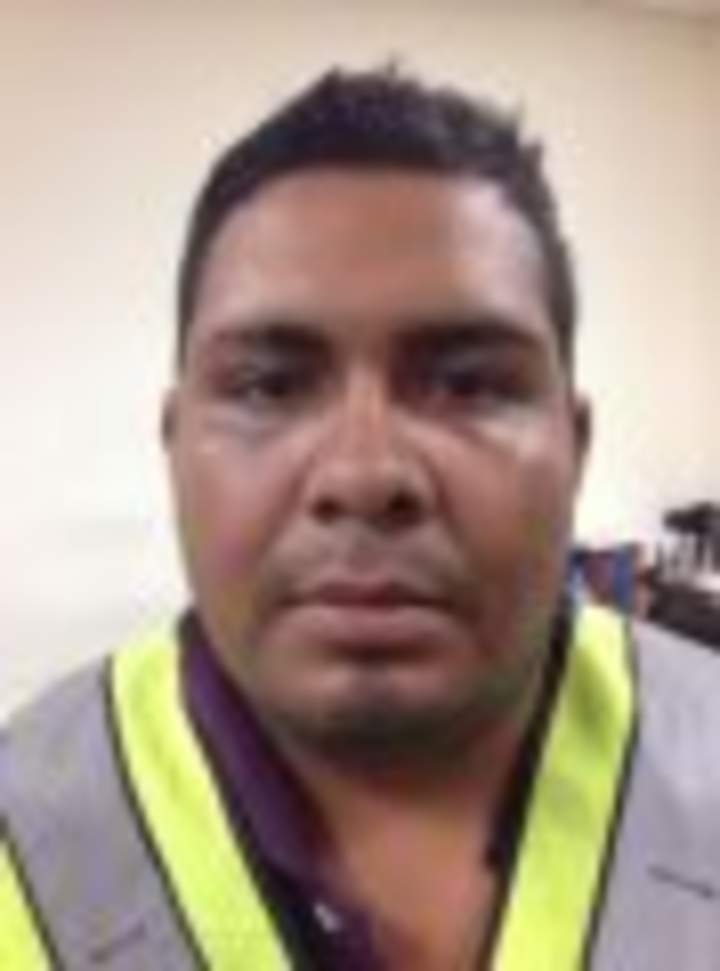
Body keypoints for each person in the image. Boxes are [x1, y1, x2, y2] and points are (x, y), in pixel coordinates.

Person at [1, 67, 717, 971]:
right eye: (269, 386)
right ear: (174, 445)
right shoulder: (20, 837)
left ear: (574, 446)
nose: (367, 473)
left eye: (469, 384)